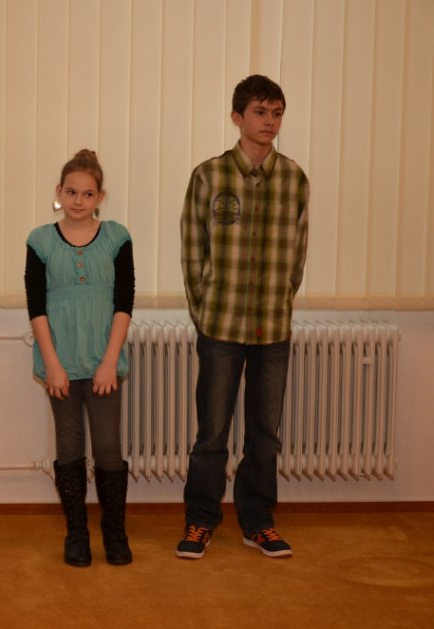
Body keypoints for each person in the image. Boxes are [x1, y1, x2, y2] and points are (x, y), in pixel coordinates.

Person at [178, 74, 309, 560]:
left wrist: (280, 301)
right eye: (259, 112)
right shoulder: (209, 176)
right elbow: (193, 251)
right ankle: (200, 519)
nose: (269, 121)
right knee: (212, 433)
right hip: (221, 327)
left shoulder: (294, 178)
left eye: (276, 113)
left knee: (265, 436)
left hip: (272, 329)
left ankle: (258, 522)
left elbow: (297, 256)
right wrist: (204, 312)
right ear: (237, 117)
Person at [25, 150, 135, 567]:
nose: (78, 200)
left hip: (104, 361)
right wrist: (52, 364)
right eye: (71, 192)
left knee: (107, 446)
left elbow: (124, 303)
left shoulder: (117, 238)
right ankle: (76, 534)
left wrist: (110, 361)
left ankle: (115, 533)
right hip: (61, 365)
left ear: (100, 197)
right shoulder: (40, 241)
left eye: (88, 194)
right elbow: (36, 306)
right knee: (69, 445)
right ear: (59, 192)